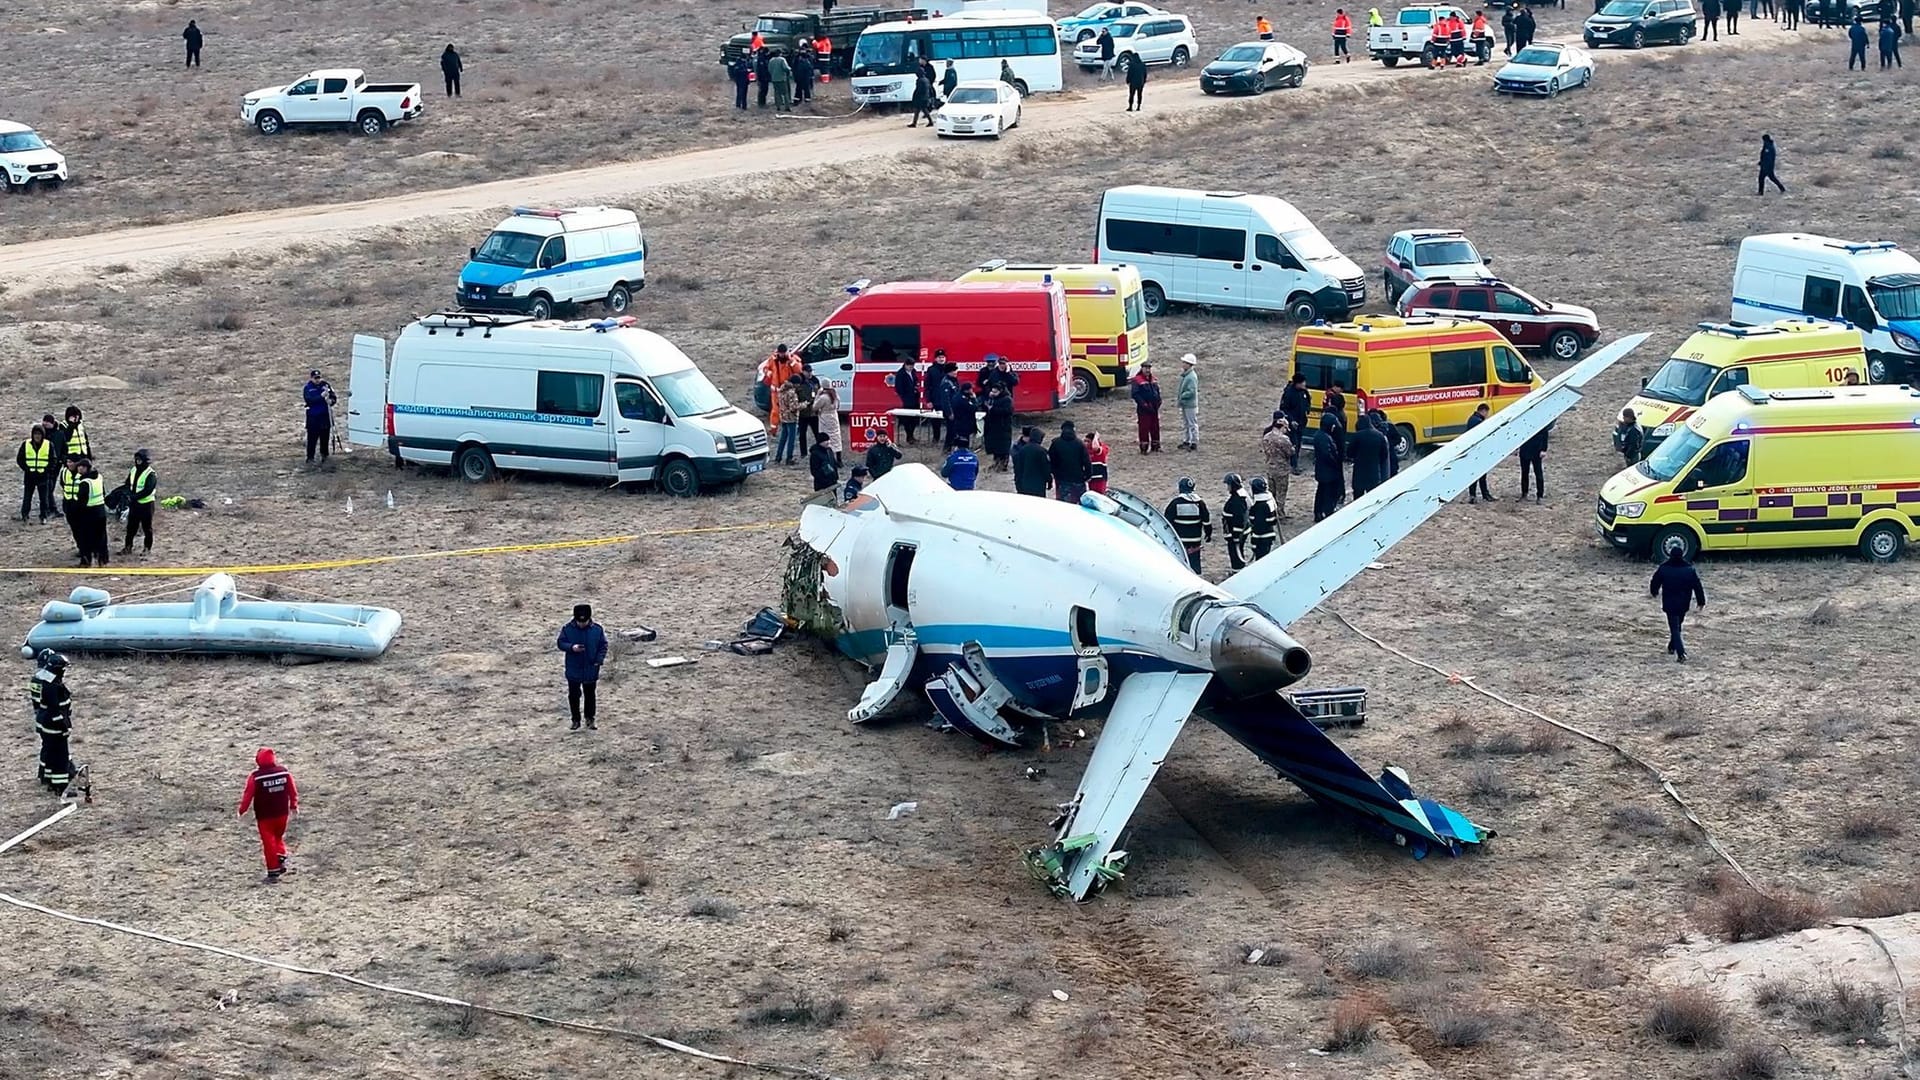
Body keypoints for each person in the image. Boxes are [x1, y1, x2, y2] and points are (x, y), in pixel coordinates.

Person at [237, 747, 298, 882]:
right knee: (278, 836)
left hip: (265, 816)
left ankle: (273, 870)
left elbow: (248, 795)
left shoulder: (256, 777)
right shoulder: (284, 772)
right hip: (282, 813)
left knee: (268, 842)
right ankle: (281, 855)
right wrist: (293, 805)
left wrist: (242, 810)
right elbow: (292, 790)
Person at [1649, 545, 1706, 662]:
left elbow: (1655, 581)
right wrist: (1701, 601)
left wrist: (1654, 592)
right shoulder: (1689, 570)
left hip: (1669, 603)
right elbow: (1697, 586)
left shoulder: (1664, 568)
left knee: (1675, 627)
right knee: (1677, 626)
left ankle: (1680, 653)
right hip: (1684, 603)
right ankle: (1672, 647)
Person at [557, 604, 607, 730]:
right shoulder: (567, 629)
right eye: (579, 621)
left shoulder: (597, 630)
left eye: (584, 621)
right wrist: (571, 647)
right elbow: (560, 643)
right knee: (574, 696)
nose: (582, 624)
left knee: (590, 695)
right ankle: (575, 720)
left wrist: (599, 660)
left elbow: (603, 646)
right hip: (573, 669)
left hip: (591, 669)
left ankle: (590, 719)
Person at [31, 650, 73, 795]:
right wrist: (64, 727)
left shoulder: (43, 680)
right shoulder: (53, 686)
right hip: (55, 727)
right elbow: (55, 710)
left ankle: (47, 778)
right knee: (60, 757)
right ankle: (60, 787)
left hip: (45, 723)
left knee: (49, 752)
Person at [1165, 478, 1213, 574]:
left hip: (1180, 541)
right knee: (1195, 563)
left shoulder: (1175, 503)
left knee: (1180, 563)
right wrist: (1208, 534)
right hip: (1195, 540)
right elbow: (1207, 521)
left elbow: (1166, 521)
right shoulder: (1200, 503)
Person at [1260, 412, 1295, 518]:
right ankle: (1280, 513)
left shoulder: (1266, 436)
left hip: (1270, 467)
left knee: (1272, 492)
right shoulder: (1283, 439)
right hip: (1281, 469)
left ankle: (1271, 512)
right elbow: (1290, 452)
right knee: (1281, 493)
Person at [18, 423, 54, 524]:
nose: (37, 436)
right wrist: (27, 469)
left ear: (43, 435)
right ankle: (25, 515)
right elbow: (20, 459)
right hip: (30, 476)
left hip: (43, 476)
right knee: (27, 497)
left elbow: (53, 460)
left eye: (39, 434)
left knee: (44, 498)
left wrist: (46, 470)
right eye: (35, 434)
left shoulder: (48, 444)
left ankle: (43, 516)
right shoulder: (26, 444)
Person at [1312, 415, 1346, 523]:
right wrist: (1335, 463)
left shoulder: (1321, 435)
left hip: (1323, 470)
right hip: (1328, 471)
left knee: (1321, 491)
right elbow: (1327, 455)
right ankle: (1327, 512)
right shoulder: (1324, 437)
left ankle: (1319, 512)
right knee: (1327, 493)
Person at [77, 459, 110, 567]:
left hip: (89, 513)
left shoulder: (85, 483)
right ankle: (103, 559)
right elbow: (103, 492)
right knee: (102, 537)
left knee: (86, 538)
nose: (79, 469)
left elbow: (81, 501)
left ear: (86, 468)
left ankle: (87, 561)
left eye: (81, 467)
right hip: (101, 510)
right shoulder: (99, 477)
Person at [123, 448, 156, 554]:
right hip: (134, 505)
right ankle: (128, 547)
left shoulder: (150, 474)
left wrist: (134, 497)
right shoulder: (133, 470)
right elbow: (128, 483)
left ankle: (147, 548)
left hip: (146, 505)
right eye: (136, 460)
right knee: (131, 527)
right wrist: (129, 494)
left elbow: (148, 490)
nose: (137, 462)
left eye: (140, 460)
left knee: (147, 528)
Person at [1050, 420, 1092, 503]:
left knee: (1064, 505)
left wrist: (1055, 474)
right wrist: (1088, 475)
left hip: (1062, 480)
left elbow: (1051, 461)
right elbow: (1087, 461)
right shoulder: (1079, 443)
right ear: (1074, 429)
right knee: (1080, 504)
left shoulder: (1056, 443)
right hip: (1078, 479)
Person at [1350, 415, 1390, 499]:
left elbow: (1349, 453)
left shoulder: (1357, 436)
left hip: (1359, 473)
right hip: (1374, 473)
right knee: (1372, 499)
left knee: (1357, 499)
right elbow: (1384, 455)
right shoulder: (1380, 436)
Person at [1464, 404, 1496, 502]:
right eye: (1487, 413)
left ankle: (1473, 495)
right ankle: (1485, 495)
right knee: (1481, 474)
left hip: (1473, 451)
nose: (1487, 415)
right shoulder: (1479, 422)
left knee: (1473, 474)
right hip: (1479, 451)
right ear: (1483, 411)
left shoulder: (1471, 419)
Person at [303, 370, 335, 465]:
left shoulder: (326, 386)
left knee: (325, 438)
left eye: (319, 378)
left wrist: (331, 401)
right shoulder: (308, 388)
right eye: (315, 378)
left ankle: (324, 456)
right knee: (312, 439)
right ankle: (310, 458)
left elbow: (333, 397)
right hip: (313, 417)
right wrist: (321, 397)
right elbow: (309, 400)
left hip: (325, 416)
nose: (317, 380)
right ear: (311, 378)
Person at [1280, 375, 1311, 473]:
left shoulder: (1304, 392)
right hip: (1292, 424)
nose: (1304, 384)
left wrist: (1307, 410)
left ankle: (1295, 462)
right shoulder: (1289, 393)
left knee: (1298, 444)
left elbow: (1307, 402)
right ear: (1297, 383)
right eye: (1302, 383)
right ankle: (1294, 465)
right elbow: (1284, 409)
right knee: (1294, 444)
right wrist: (1291, 420)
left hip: (1301, 422)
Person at [1131, 361, 1162, 453]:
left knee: (1155, 427)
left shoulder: (1153, 379)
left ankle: (1156, 446)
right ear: (1142, 369)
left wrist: (1159, 401)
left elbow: (1157, 391)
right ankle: (1144, 448)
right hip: (1143, 409)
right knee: (1144, 428)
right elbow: (1135, 395)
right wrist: (1144, 404)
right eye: (1146, 368)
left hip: (1154, 407)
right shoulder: (1137, 380)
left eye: (1149, 368)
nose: (1147, 370)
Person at [982, 383, 1015, 470]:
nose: (993, 393)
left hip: (1003, 426)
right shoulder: (992, 399)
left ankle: (1003, 464)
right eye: (992, 391)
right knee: (995, 446)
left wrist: (992, 409)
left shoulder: (1007, 399)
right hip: (993, 426)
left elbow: (1007, 411)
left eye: (995, 392)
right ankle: (996, 462)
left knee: (1003, 447)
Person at [1222, 474, 1251, 571]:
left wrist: (1236, 535)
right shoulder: (1240, 495)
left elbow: (1239, 520)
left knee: (1235, 553)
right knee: (1236, 552)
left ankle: (1237, 571)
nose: (1227, 488)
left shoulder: (1238, 500)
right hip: (1238, 532)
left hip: (1236, 533)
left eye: (1228, 485)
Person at [1247, 476, 1281, 560]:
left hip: (1262, 539)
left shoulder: (1259, 506)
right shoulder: (1269, 500)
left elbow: (1258, 526)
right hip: (1269, 536)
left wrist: (1254, 542)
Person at [1013, 428, 1052, 497]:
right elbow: (1046, 469)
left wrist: (1018, 484)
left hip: (1024, 485)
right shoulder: (1042, 451)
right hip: (1038, 485)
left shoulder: (1022, 450)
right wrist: (1049, 481)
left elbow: (1018, 469)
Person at [775, 376, 803, 466]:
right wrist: (803, 405)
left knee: (783, 438)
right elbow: (793, 407)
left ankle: (778, 457)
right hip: (791, 418)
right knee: (791, 439)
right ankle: (789, 458)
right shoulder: (791, 393)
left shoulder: (782, 390)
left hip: (783, 417)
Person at [1518, 423, 1550, 501]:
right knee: (1524, 473)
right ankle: (1524, 493)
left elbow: (1545, 435)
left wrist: (1543, 449)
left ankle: (1540, 495)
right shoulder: (1523, 422)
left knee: (1538, 473)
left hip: (1537, 450)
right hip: (1525, 449)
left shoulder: (1540, 421)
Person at [812, 380, 842, 466]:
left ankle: (829, 457)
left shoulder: (823, 397)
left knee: (825, 436)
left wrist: (817, 395)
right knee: (836, 436)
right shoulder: (835, 395)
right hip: (834, 416)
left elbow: (815, 407)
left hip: (825, 417)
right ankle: (839, 459)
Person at [1176, 353, 1200, 451]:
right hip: (1186, 404)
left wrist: (1182, 396)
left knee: (1191, 423)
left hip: (1190, 405)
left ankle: (1194, 441)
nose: (1183, 364)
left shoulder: (1191, 377)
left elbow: (1191, 391)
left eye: (1184, 363)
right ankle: (1187, 440)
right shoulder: (1187, 375)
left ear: (1189, 364)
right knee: (1187, 423)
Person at [949, 382, 979, 455]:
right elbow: (973, 408)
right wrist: (974, 399)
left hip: (959, 422)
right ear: (967, 390)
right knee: (963, 442)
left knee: (958, 440)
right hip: (964, 423)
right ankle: (962, 455)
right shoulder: (962, 399)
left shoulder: (956, 396)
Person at [909, 61, 934, 126]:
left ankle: (930, 122)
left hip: (921, 98)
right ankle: (914, 123)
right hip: (925, 98)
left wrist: (915, 97)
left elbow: (918, 90)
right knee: (919, 111)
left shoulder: (920, 81)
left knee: (923, 110)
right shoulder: (926, 80)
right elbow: (930, 89)